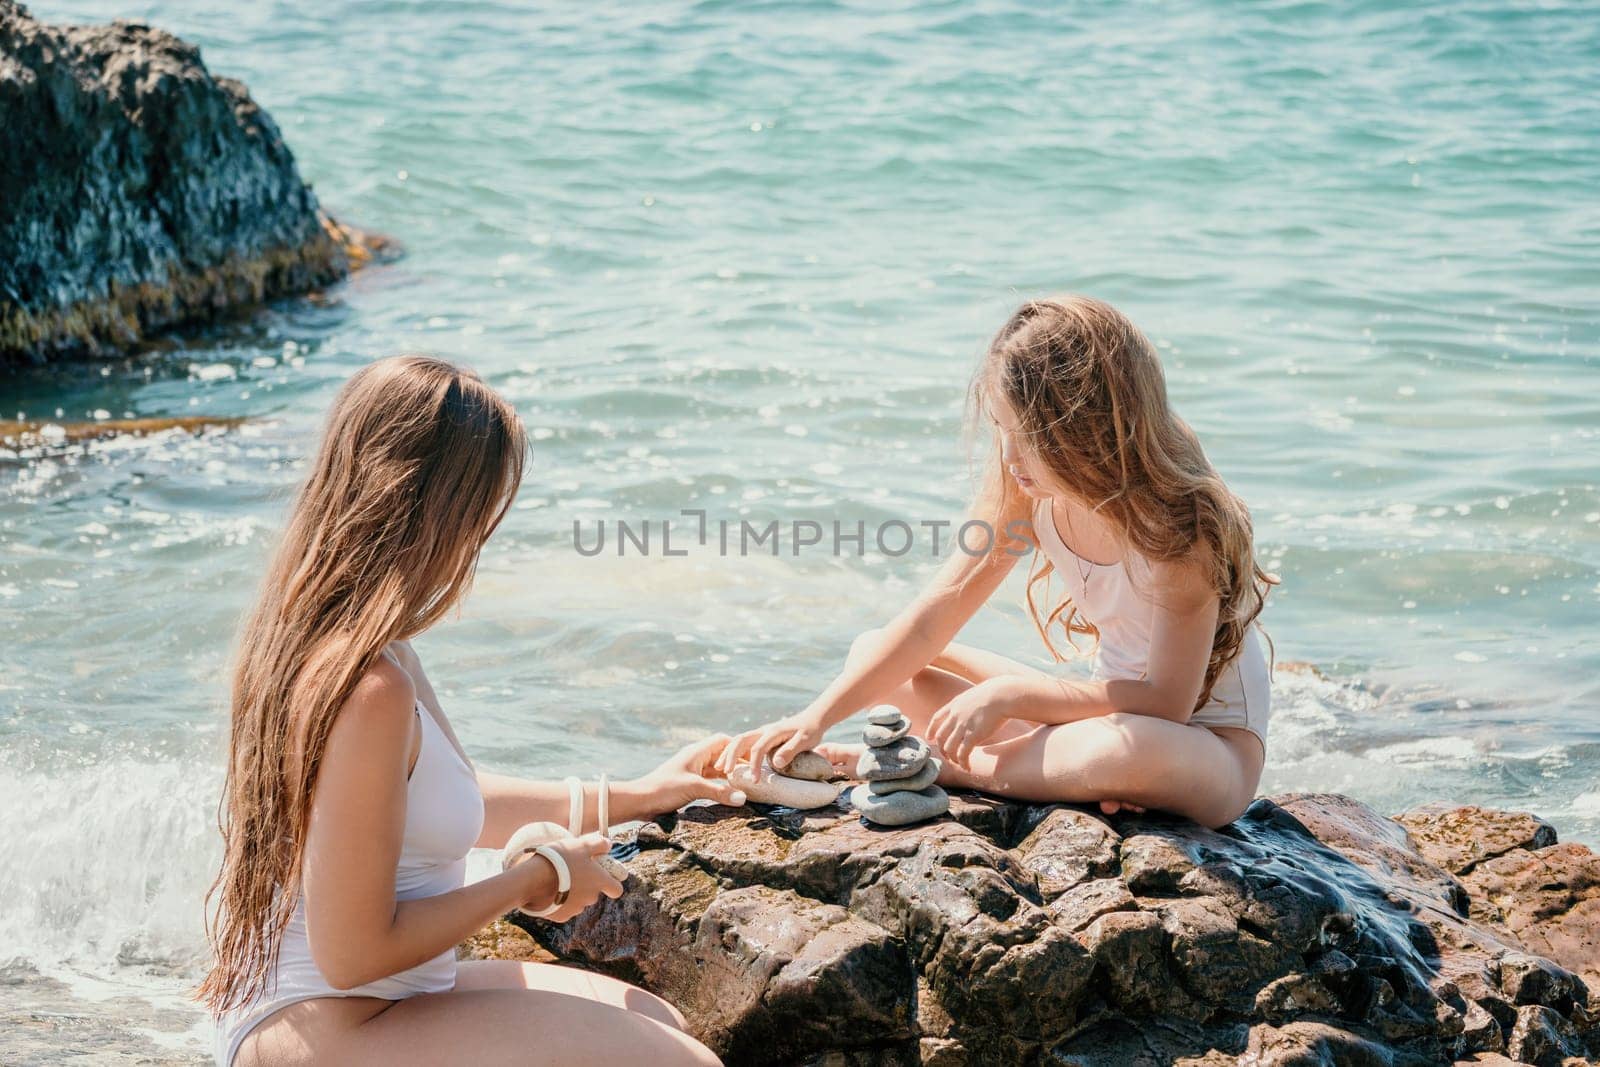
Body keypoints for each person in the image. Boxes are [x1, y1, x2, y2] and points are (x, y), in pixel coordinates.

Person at [198, 356, 728, 1067]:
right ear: (430, 507)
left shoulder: (355, 642)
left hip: (370, 1004)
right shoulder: (369, 688)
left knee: (656, 1017)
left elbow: (447, 801)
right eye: (478, 513)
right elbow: (354, 953)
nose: (479, 541)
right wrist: (530, 880)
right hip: (324, 1024)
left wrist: (633, 795)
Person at [718, 296, 1279, 830]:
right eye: (1002, 432)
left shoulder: (1181, 525)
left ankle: (943, 766)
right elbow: (932, 618)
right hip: (1098, 713)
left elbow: (1165, 704)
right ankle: (1047, 770)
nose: (1010, 458)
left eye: (1029, 436)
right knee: (874, 654)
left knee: (1130, 749)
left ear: (1092, 429)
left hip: (1204, 747)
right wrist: (814, 717)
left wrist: (1013, 697)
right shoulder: (1028, 492)